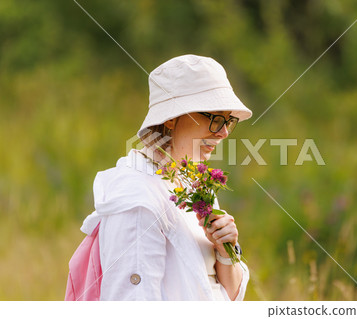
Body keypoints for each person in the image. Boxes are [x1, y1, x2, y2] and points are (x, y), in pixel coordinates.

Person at [66, 54, 252, 301]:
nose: (224, 132)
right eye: (215, 118)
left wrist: (226, 252)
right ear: (172, 119)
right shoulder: (136, 197)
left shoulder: (191, 185)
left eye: (228, 120)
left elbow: (226, 295)